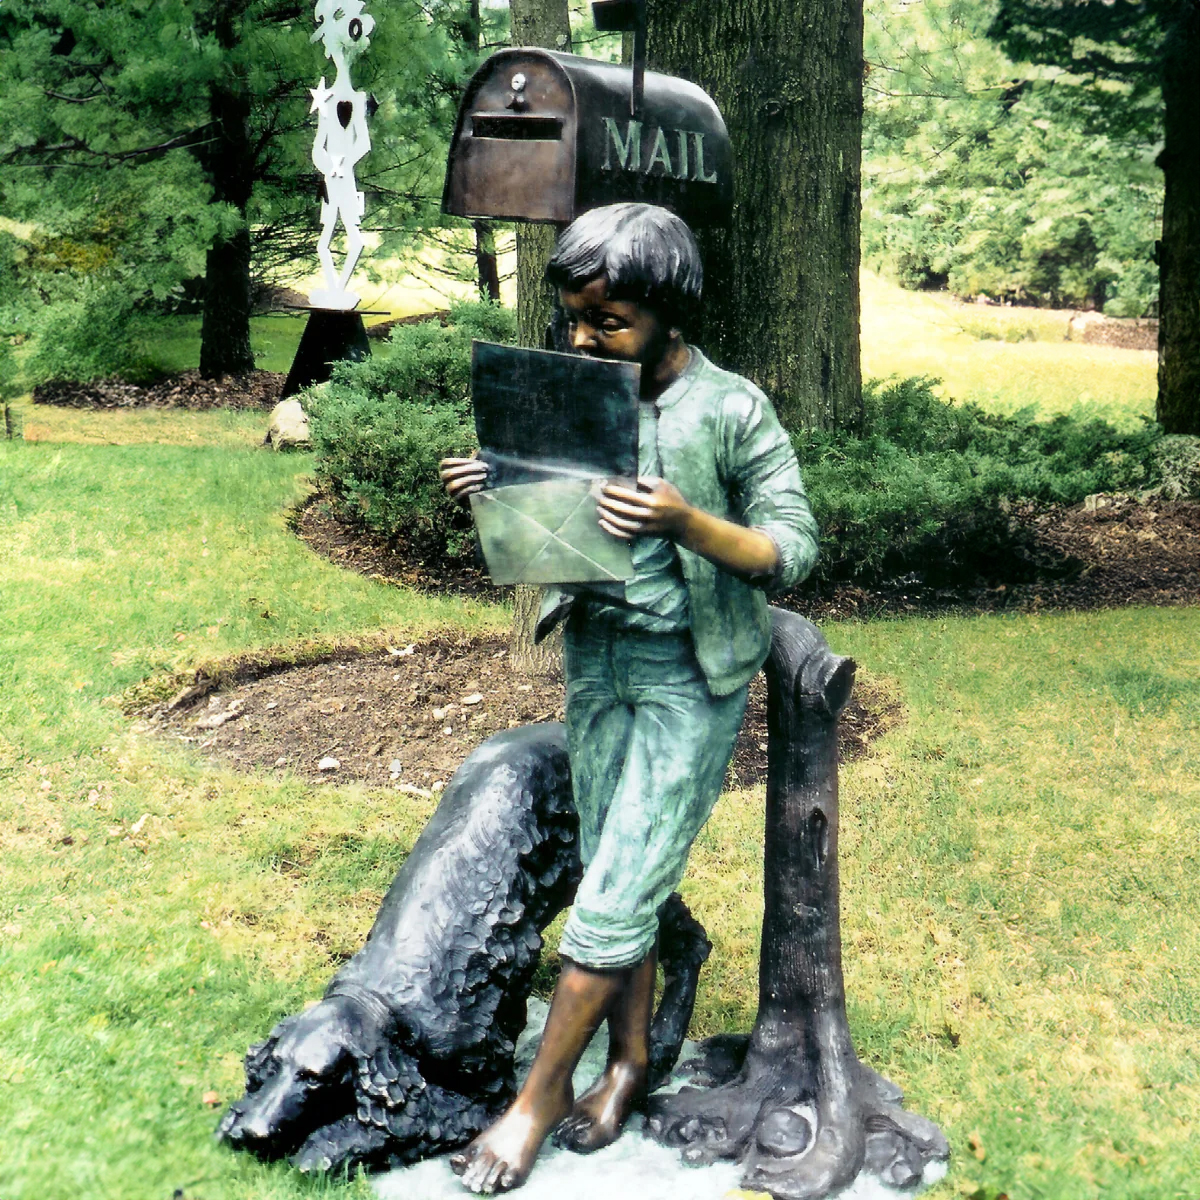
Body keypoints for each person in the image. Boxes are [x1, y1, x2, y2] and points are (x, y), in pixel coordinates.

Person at [439, 202, 819, 1194]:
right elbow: (555, 508)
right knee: (621, 873)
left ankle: (538, 1099)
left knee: (609, 895)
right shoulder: (575, 393)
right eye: (573, 318)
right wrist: (501, 481)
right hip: (597, 656)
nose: (582, 339)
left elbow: (793, 549)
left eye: (607, 321)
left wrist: (687, 519)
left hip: (688, 677)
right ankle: (631, 1064)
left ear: (669, 310)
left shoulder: (731, 409)